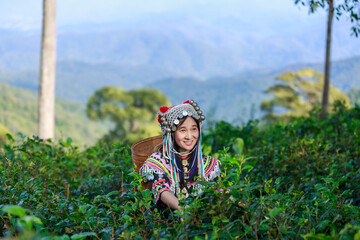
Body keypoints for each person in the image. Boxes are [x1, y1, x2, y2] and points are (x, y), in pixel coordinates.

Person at [139, 100, 221, 218]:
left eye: (194, 129)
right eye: (183, 130)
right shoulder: (158, 161)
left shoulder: (207, 163)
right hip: (165, 226)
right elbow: (162, 190)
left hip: (199, 222)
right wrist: (185, 209)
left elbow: (219, 188)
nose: (189, 136)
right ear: (171, 133)